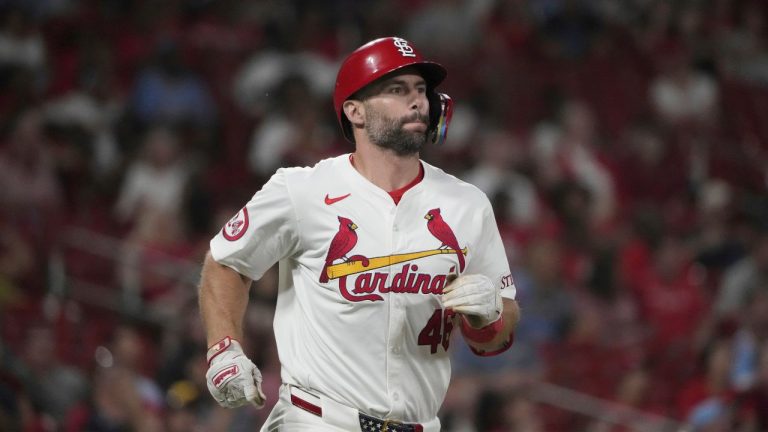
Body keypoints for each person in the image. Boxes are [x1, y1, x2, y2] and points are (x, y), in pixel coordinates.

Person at [198, 36, 520, 431]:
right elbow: (227, 262)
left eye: (421, 89)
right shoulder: (302, 190)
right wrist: (223, 349)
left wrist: (489, 315)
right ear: (355, 111)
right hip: (319, 421)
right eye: (397, 90)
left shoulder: (467, 204)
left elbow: (495, 338)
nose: (417, 100)